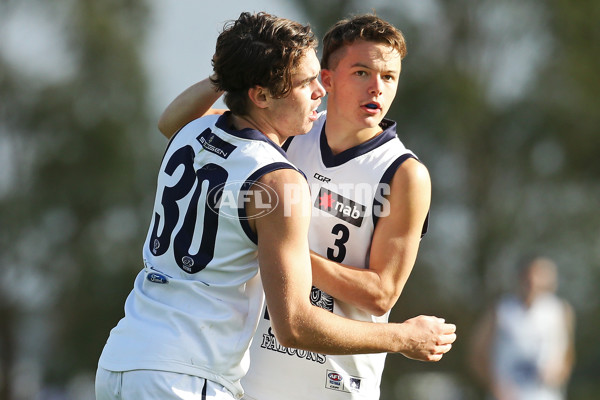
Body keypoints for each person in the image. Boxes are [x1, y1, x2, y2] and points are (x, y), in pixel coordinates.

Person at [97, 11, 457, 400]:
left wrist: (234, 70)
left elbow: (170, 121)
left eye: (389, 77)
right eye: (360, 72)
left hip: (129, 355)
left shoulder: (196, 130)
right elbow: (295, 325)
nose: (376, 88)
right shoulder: (279, 160)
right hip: (193, 374)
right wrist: (403, 337)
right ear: (263, 94)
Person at [469, 255, 576, 400]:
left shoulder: (560, 310)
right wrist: (495, 385)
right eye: (530, 275)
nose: (534, 281)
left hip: (546, 395)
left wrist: (558, 373)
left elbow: (568, 355)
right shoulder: (500, 309)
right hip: (507, 395)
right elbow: (477, 354)